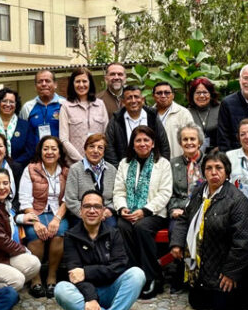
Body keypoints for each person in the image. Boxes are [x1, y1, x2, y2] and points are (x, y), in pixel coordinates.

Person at [170, 150, 248, 310]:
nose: (214, 172)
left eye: (219, 168)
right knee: (196, 303)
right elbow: (184, 218)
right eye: (209, 168)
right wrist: (177, 243)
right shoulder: (199, 192)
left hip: (224, 268)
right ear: (204, 172)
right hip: (201, 266)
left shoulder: (237, 200)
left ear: (227, 172)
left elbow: (243, 242)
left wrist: (231, 272)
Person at [54, 190, 146, 310]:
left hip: (111, 290)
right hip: (84, 295)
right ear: (80, 211)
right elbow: (75, 276)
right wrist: (91, 298)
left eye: (97, 206)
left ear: (103, 211)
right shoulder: (71, 236)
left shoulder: (114, 233)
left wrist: (86, 272)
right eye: (87, 206)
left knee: (137, 274)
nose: (92, 210)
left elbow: (119, 266)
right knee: (61, 289)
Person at [113, 125, 172, 298]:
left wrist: (145, 211)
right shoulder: (124, 164)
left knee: (141, 227)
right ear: (132, 144)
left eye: (146, 140)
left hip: (154, 213)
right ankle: (134, 275)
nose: (142, 143)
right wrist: (122, 208)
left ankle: (153, 277)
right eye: (138, 140)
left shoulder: (162, 164)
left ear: (153, 143)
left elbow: (165, 192)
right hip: (129, 212)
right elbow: (119, 191)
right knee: (122, 226)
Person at [17, 136, 69, 298]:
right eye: (46, 148)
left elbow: (68, 199)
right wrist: (36, 222)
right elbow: (24, 199)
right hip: (35, 212)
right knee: (34, 235)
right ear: (40, 151)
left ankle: (52, 276)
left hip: (57, 213)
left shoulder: (67, 171)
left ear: (60, 153)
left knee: (58, 233)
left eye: (54, 149)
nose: (50, 152)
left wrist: (57, 219)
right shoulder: (31, 169)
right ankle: (36, 278)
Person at [104, 85, 171, 166]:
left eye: (136, 97)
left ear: (142, 100)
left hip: (153, 168)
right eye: (129, 98)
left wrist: (161, 167)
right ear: (123, 102)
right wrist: (119, 170)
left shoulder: (152, 117)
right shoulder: (116, 120)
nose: (133, 100)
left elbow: (164, 145)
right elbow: (109, 148)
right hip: (125, 170)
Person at [64, 134, 117, 228]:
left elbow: (117, 196)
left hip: (105, 214)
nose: (95, 151)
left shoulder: (112, 170)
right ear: (85, 149)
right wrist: (86, 213)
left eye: (100, 148)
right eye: (91, 146)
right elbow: (70, 199)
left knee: (111, 229)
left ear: (104, 152)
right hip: (80, 214)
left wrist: (109, 210)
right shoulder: (75, 169)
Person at [59, 67, 109, 163]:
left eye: (84, 81)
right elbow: (64, 139)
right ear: (72, 84)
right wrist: (82, 160)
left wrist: (97, 156)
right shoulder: (66, 107)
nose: (81, 85)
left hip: (98, 162)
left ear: (90, 83)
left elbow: (106, 135)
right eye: (77, 81)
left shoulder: (100, 105)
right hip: (75, 164)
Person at [218, 64, 248, 151]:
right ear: (240, 80)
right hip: (236, 154)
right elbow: (223, 137)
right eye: (245, 78)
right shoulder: (227, 103)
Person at [167, 124, 205, 222]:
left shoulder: (210, 161)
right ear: (180, 142)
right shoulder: (172, 164)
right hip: (180, 211)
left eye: (192, 139)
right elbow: (168, 192)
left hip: (205, 212)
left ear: (199, 142)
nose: (189, 142)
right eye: (185, 139)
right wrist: (173, 209)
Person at [20, 69, 65, 149]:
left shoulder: (64, 104)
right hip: (35, 158)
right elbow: (23, 134)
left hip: (60, 156)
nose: (44, 84)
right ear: (35, 86)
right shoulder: (27, 107)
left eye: (47, 81)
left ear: (55, 84)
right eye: (40, 81)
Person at [152, 81, 195, 158]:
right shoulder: (149, 114)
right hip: (154, 161)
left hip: (177, 160)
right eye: (159, 93)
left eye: (167, 93)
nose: (163, 95)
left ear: (173, 95)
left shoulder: (183, 113)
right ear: (153, 96)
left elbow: (192, 138)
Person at [187, 77, 220, 152]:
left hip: (218, 155)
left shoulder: (221, 109)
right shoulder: (186, 113)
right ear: (192, 95)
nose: (201, 96)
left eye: (205, 92)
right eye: (198, 93)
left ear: (211, 94)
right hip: (194, 155)